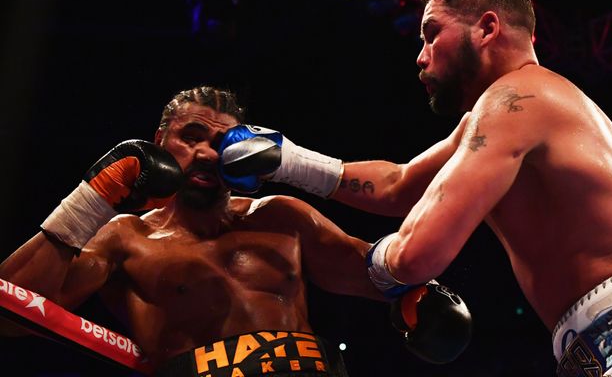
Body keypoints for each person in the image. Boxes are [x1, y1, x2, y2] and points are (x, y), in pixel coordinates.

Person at [215, 0, 612, 376]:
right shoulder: (502, 112)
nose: (420, 54)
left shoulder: (516, 101)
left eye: (432, 32)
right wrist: (289, 160)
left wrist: (374, 270)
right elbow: (401, 186)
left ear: (486, 27)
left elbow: (417, 254)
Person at [0, 86, 472, 377]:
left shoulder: (282, 216)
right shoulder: (126, 239)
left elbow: (375, 270)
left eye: (223, 141)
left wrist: (424, 296)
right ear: (160, 143)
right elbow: (12, 311)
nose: (207, 153)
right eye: (191, 137)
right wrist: (93, 198)